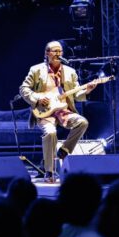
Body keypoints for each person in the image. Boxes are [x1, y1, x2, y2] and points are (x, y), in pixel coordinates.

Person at [20, 41, 94, 183]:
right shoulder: (36, 70)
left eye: (60, 51)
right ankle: (49, 171)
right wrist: (37, 98)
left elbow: (76, 95)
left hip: (63, 110)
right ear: (47, 53)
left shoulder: (70, 72)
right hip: (44, 111)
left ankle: (64, 151)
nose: (58, 54)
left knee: (82, 122)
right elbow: (24, 89)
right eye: (54, 51)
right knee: (50, 132)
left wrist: (87, 90)